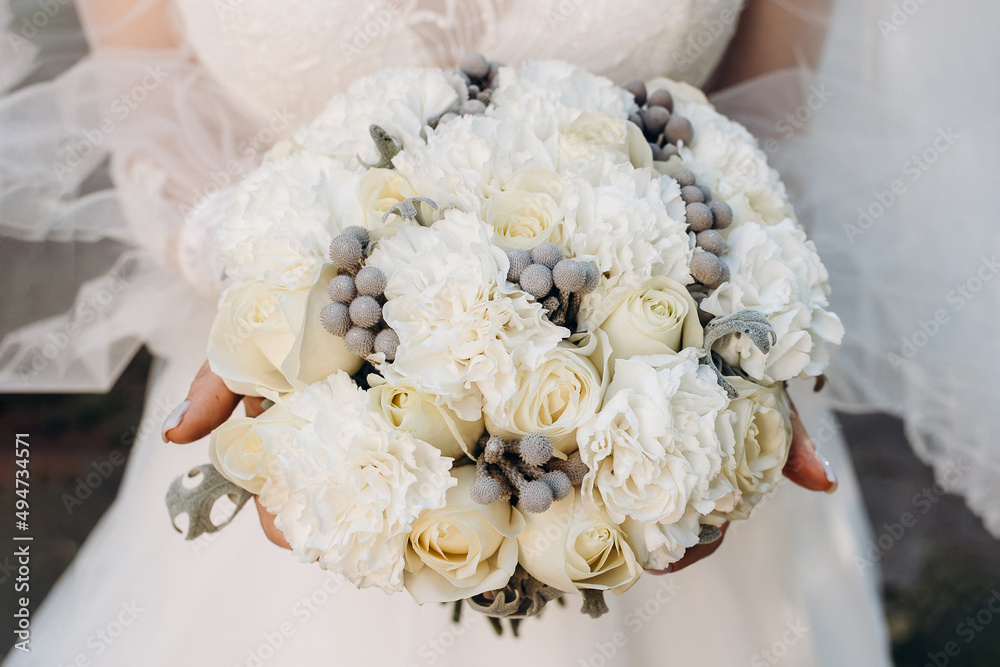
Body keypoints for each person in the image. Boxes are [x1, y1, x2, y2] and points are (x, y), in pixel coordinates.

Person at [0, 0, 908, 664]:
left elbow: (770, 114)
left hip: (673, 423)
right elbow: (147, 110)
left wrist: (727, 346)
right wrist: (275, 295)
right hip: (301, 412)